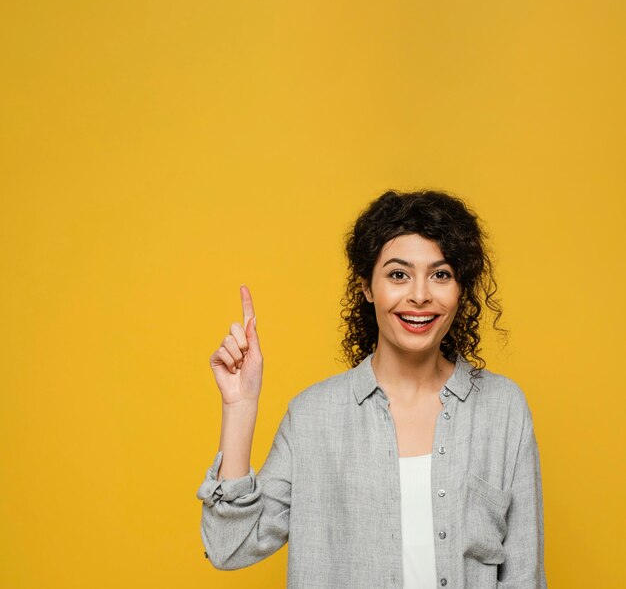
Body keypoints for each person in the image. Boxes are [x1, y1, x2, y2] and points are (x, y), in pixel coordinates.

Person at [197, 189, 547, 589]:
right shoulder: (313, 417)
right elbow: (229, 546)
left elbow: (525, 576)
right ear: (367, 287)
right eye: (398, 274)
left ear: (460, 289)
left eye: (441, 274)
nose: (419, 294)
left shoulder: (503, 410)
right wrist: (239, 406)